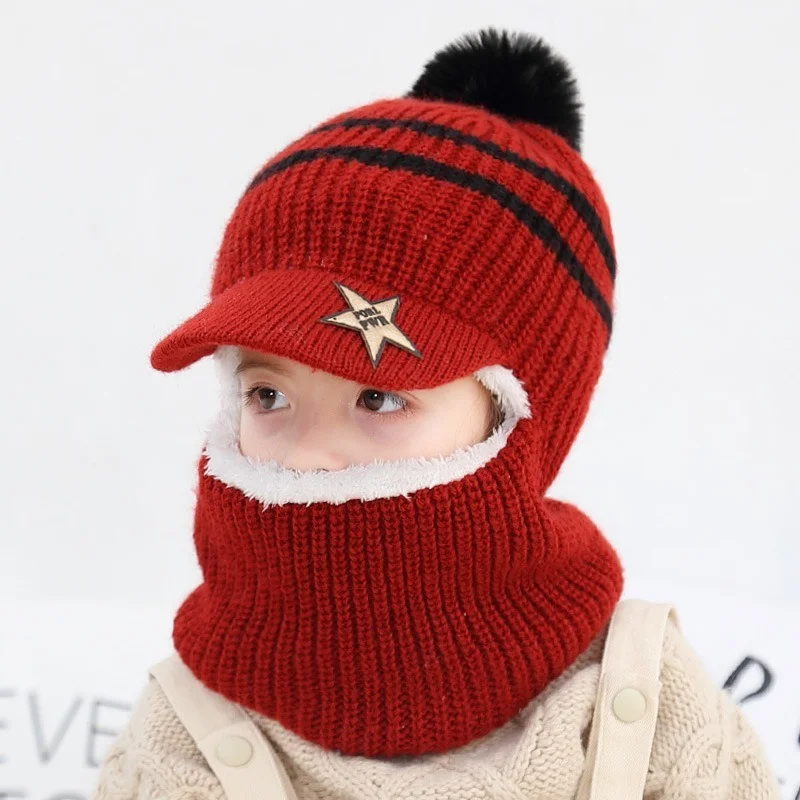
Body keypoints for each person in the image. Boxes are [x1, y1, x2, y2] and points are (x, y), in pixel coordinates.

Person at [90, 26, 781, 800]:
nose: (307, 456)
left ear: (520, 419)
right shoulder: (189, 728)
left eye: (379, 396)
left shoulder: (647, 707)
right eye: (268, 396)